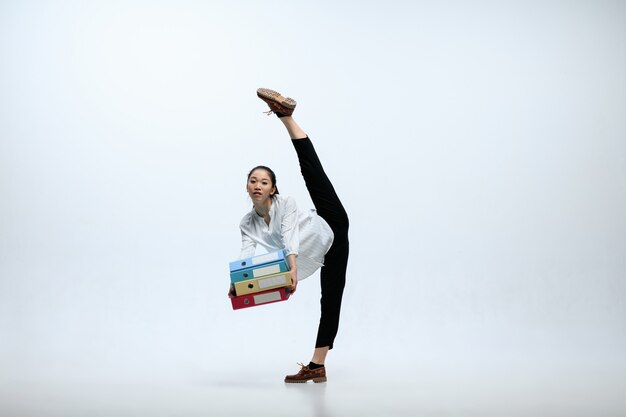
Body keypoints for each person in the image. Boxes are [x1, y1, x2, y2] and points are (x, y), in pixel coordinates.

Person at [229, 88, 350, 383]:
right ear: (247, 187)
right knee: (330, 300)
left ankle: (287, 117)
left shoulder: (287, 205)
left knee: (311, 171)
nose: (258, 185)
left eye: (264, 181)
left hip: (330, 224)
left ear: (273, 188)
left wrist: (292, 269)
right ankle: (317, 366)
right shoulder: (248, 222)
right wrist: (237, 285)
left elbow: (290, 238)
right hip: (321, 252)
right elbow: (247, 255)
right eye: (253, 181)